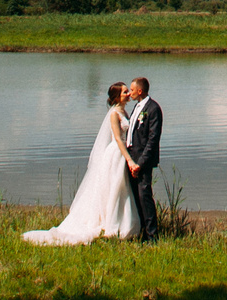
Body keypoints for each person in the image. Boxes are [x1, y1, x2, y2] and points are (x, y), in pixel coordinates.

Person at [21, 80, 141, 245]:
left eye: (128, 91)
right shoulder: (114, 114)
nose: (128, 94)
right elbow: (119, 140)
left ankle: (121, 223)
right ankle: (111, 224)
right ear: (117, 97)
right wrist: (128, 158)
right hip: (116, 154)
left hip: (122, 155)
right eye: (125, 92)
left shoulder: (125, 112)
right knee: (115, 187)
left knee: (121, 188)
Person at [122, 76, 162, 241]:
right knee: (136, 196)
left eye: (132, 90)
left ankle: (152, 235)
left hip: (142, 161)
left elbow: (153, 139)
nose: (130, 93)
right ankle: (141, 231)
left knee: (145, 195)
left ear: (140, 90)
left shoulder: (153, 109)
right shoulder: (137, 107)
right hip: (132, 159)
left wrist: (141, 162)